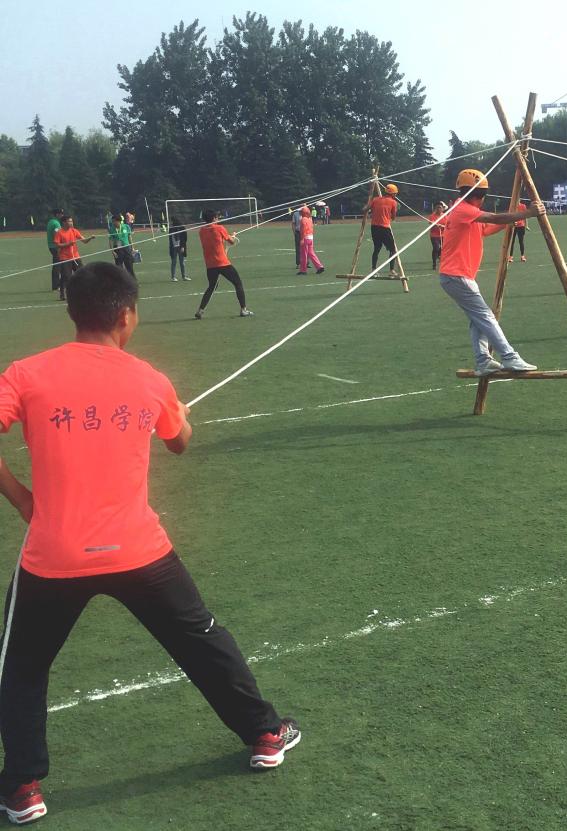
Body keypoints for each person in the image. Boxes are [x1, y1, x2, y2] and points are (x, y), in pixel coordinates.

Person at [0, 262, 299, 825]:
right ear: (127, 316)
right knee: (202, 641)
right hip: (139, 553)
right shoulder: (149, 378)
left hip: (56, 554)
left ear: (74, 313)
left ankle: (22, 787)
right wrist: (179, 416)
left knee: (22, 668)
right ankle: (264, 731)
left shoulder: (27, 373)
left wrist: (21, 499)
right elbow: (180, 442)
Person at [439, 169, 543, 376]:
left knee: (477, 319)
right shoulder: (464, 210)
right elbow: (495, 218)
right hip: (457, 276)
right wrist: (527, 213)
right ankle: (509, 356)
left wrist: (512, 220)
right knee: (486, 316)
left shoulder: (464, 210)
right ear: (480, 194)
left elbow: (486, 229)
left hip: (456, 276)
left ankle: (483, 360)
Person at [194, 210, 253, 319]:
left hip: (210, 265)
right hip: (222, 263)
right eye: (217, 217)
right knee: (238, 283)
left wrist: (227, 237)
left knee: (212, 287)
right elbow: (231, 242)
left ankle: (200, 310)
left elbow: (215, 241)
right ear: (213, 218)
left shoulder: (201, 231)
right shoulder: (219, 228)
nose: (218, 219)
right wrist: (233, 236)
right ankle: (243, 310)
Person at [51, 215, 95, 301]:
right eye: (69, 221)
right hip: (65, 258)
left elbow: (84, 241)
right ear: (64, 222)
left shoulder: (74, 231)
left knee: (82, 273)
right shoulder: (59, 233)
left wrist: (90, 238)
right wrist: (68, 244)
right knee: (66, 276)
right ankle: (63, 293)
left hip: (75, 257)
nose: (71, 223)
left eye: (71, 221)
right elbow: (57, 245)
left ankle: (83, 292)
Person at [365, 184, 399, 277]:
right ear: (393, 194)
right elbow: (393, 217)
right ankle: (391, 270)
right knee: (393, 249)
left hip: (374, 227)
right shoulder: (393, 202)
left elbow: (366, 209)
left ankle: (373, 269)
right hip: (384, 227)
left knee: (377, 249)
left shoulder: (375, 199)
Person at [296, 206, 325, 276]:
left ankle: (303, 270)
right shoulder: (310, 219)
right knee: (311, 253)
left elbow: (303, 230)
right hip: (310, 237)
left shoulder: (303, 219)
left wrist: (302, 239)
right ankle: (319, 266)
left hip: (305, 238)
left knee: (304, 254)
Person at [45, 208, 63, 292]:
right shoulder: (56, 223)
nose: (62, 215)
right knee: (57, 266)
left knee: (57, 265)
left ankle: (57, 285)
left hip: (51, 246)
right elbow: (57, 235)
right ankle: (56, 286)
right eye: (61, 213)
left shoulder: (50, 222)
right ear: (57, 214)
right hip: (56, 247)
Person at [427, 201, 448, 271]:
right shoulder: (432, 216)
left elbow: (447, 225)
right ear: (435, 209)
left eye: (440, 207)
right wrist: (435, 225)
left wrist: (443, 226)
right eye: (437, 208)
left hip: (443, 235)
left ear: (442, 209)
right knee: (436, 248)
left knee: (443, 249)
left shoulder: (445, 216)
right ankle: (434, 264)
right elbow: (431, 225)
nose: (439, 209)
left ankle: (441, 259)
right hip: (434, 235)